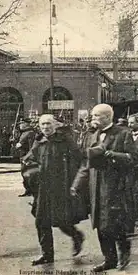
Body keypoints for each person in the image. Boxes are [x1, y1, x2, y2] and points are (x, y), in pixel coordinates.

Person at [71, 104, 138, 272]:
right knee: (100, 224)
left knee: (114, 223)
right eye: (93, 116)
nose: (93, 119)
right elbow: (86, 164)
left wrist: (113, 155)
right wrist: (76, 185)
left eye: (97, 116)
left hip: (115, 186)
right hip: (96, 187)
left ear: (108, 117)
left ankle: (124, 252)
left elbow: (134, 159)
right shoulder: (92, 136)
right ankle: (109, 259)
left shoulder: (123, 134)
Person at [21, 114, 87, 266]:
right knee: (41, 221)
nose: (45, 127)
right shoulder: (39, 141)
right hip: (43, 189)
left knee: (60, 220)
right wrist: (30, 170)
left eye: (48, 124)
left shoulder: (65, 140)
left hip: (61, 187)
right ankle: (47, 255)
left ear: (55, 125)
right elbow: (30, 158)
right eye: (43, 124)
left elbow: (79, 159)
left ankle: (77, 236)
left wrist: (75, 184)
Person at [16, 118, 36, 197]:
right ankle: (28, 190)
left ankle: (31, 190)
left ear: (26, 124)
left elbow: (32, 147)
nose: (20, 125)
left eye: (22, 123)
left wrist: (29, 158)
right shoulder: (24, 133)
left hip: (26, 157)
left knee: (28, 174)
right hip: (22, 156)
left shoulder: (30, 133)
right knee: (24, 174)